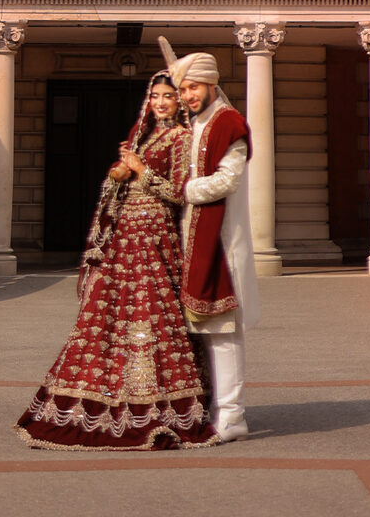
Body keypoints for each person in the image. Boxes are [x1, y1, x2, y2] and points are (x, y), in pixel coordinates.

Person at [17, 73, 216, 451]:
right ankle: (106, 395)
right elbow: (123, 182)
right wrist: (120, 173)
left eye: (168, 96)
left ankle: (159, 404)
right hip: (126, 237)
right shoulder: (144, 137)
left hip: (156, 237)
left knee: (154, 314)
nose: (160, 103)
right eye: (155, 96)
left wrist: (140, 170)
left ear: (178, 102)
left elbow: (179, 192)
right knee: (108, 314)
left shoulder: (181, 138)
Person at [163, 41, 259, 444]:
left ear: (211, 84)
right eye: (183, 89)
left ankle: (233, 416)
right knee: (199, 334)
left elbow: (227, 180)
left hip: (221, 243)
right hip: (191, 240)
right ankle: (210, 408)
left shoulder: (229, 123)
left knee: (223, 333)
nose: (187, 96)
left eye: (194, 87)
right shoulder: (194, 124)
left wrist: (181, 190)